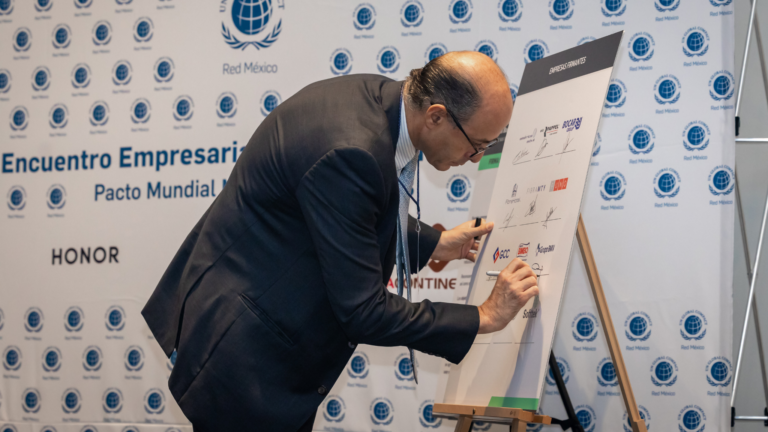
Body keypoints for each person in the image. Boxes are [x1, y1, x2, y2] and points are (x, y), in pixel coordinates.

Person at [141, 51, 539, 431]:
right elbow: (364, 311)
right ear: (436, 116)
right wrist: (482, 317)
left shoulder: (383, 102)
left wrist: (435, 244)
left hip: (254, 322)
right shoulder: (352, 152)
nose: (475, 158)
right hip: (245, 353)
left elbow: (343, 215)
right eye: (477, 144)